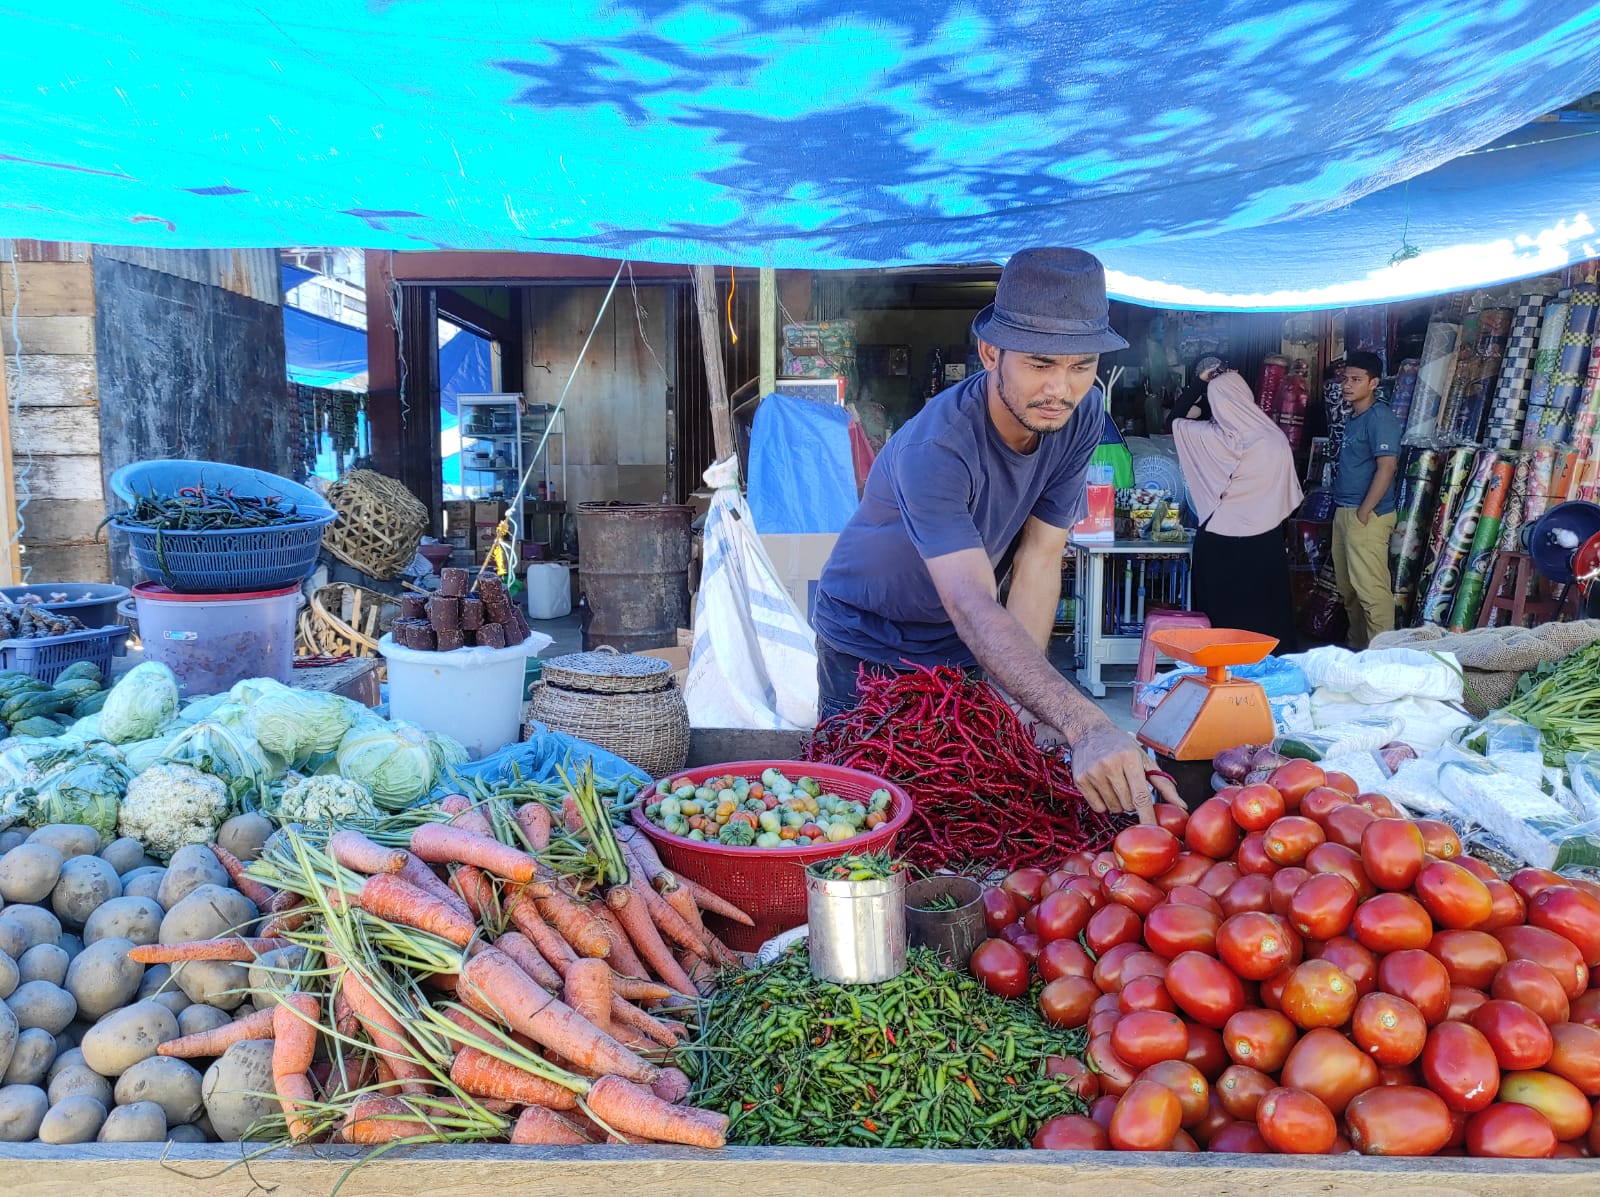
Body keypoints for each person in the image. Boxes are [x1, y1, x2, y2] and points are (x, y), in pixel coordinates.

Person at [811, 248, 1180, 823]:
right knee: (864, 812)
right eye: (1039, 363)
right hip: (869, 636)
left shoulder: (1079, 416)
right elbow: (973, 602)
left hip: (962, 641)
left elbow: (1041, 555)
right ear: (990, 353)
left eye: (1081, 366)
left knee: (964, 805)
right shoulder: (937, 447)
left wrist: (1023, 703)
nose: (1060, 387)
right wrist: (1086, 723)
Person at [1172, 365, 1302, 649]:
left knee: (1220, 622)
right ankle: (1270, 675)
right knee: (1268, 616)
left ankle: (1221, 676)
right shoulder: (1275, 438)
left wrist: (1198, 384)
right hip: (1266, 540)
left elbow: (1174, 420)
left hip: (1219, 541)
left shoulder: (1212, 439)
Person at [1330, 350, 1400, 648]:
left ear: (1374, 383)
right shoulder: (1354, 418)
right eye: (1346, 379)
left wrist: (1364, 512)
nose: (1347, 385)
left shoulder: (1379, 417)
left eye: (1356, 380)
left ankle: (1382, 660)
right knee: (1349, 592)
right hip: (1345, 511)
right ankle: (1358, 653)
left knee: (1372, 592)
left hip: (1367, 516)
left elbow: (1387, 466)